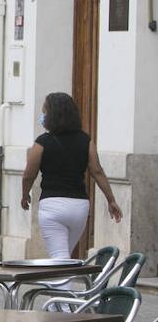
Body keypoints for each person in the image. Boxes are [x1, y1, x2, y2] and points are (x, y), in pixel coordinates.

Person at [21, 92, 121, 258]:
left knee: (60, 259)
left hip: (52, 206)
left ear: (52, 115)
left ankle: (59, 284)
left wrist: (25, 195)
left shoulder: (42, 143)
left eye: (44, 112)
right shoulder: (85, 140)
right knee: (63, 256)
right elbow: (97, 171)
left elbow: (28, 175)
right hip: (79, 207)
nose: (42, 116)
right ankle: (55, 283)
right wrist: (111, 200)